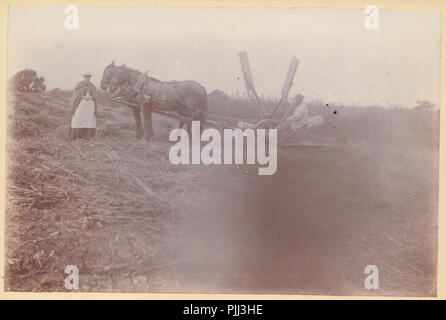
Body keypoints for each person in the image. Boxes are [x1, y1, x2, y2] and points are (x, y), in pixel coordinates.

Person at [69, 72, 98, 139]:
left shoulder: (92, 85)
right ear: (84, 77)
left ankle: (87, 135)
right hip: (80, 104)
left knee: (89, 120)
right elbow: (76, 95)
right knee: (78, 118)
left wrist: (91, 97)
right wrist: (83, 97)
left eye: (89, 76)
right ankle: (76, 135)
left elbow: (95, 95)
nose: (87, 78)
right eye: (86, 76)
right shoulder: (79, 85)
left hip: (90, 106)